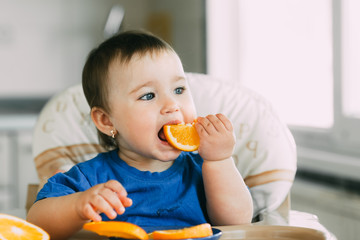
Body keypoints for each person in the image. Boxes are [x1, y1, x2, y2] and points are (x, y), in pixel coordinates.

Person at [27, 30, 253, 239]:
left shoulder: (204, 170)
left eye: (179, 90)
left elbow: (237, 222)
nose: (172, 105)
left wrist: (220, 160)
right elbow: (36, 222)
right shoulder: (92, 179)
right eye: (148, 96)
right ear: (106, 121)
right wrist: (78, 206)